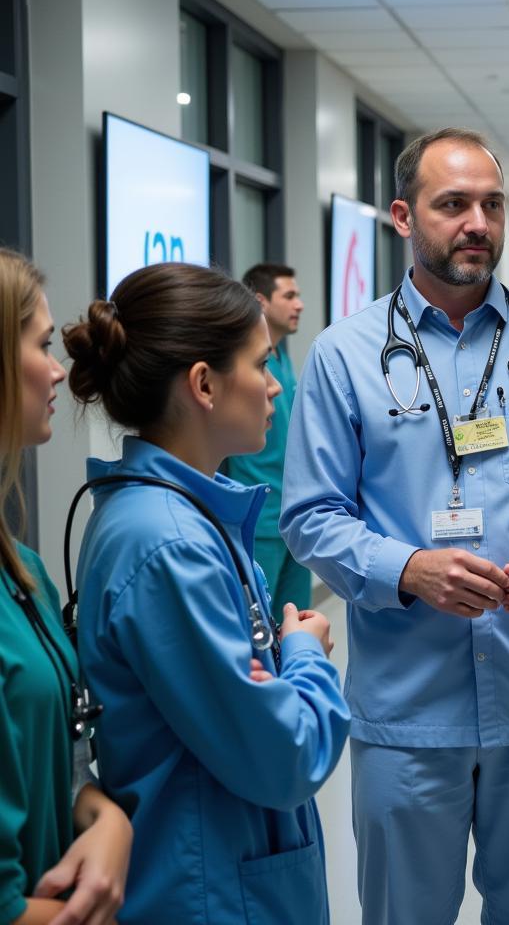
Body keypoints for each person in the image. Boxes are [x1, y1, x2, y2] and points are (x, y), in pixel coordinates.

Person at [281, 127, 509, 925]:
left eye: (491, 203)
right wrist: (407, 569)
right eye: (454, 204)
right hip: (408, 710)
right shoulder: (345, 356)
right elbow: (310, 515)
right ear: (403, 217)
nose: (477, 222)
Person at [62, 263, 350, 925]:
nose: (276, 384)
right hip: (209, 895)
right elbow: (285, 755)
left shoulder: (175, 518)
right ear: (204, 385)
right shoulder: (170, 546)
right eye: (260, 363)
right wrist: (305, 655)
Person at [0, 248, 132, 925]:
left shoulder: (24, 570)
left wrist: (104, 817)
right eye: (39, 344)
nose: (58, 370)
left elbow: (57, 754)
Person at [225, 263, 310, 623]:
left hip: (294, 517)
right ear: (261, 300)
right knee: (258, 628)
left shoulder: (284, 357)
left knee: (295, 621)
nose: (300, 304)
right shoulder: (244, 368)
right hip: (258, 522)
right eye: (289, 296)